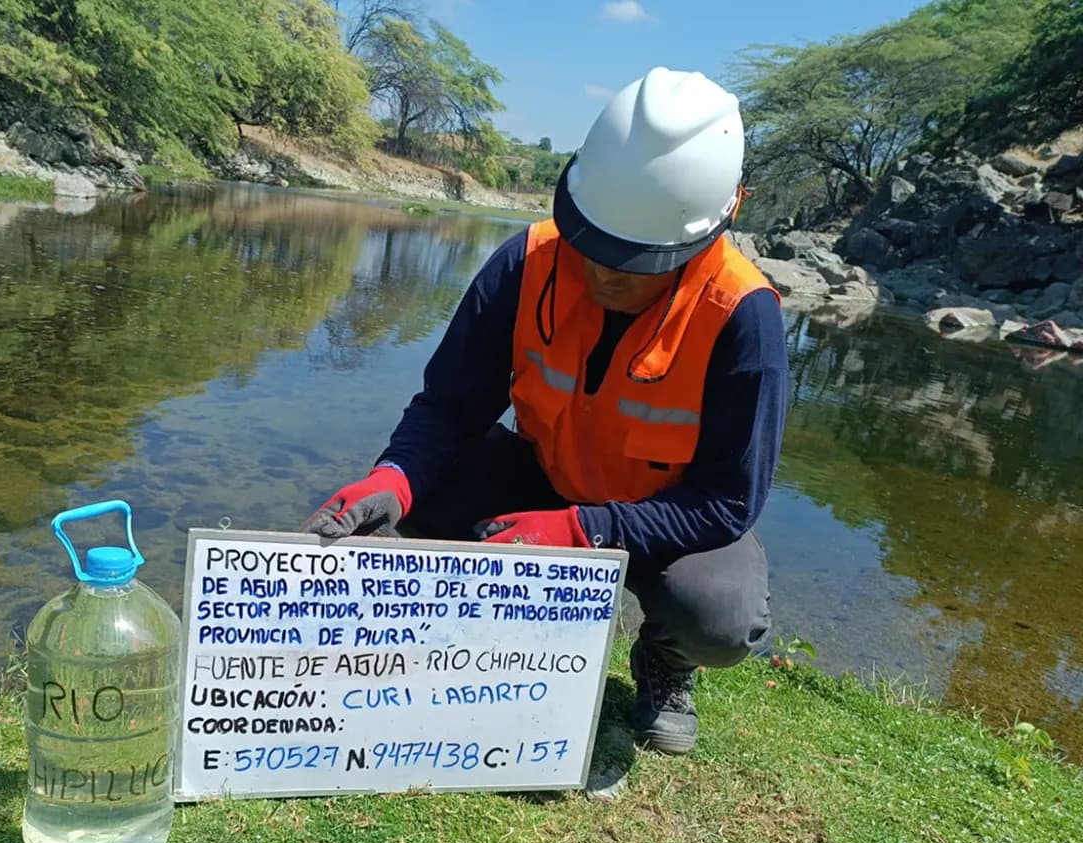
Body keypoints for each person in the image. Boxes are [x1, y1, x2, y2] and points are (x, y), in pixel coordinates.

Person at [301, 67, 788, 755]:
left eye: (637, 260)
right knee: (428, 484)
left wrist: (584, 530)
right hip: (544, 476)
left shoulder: (743, 316)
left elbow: (727, 502)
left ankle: (665, 660)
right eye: (591, 242)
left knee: (719, 616)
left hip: (668, 518)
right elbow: (450, 406)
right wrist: (394, 479)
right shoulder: (526, 262)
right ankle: (502, 632)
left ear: (716, 225)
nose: (604, 271)